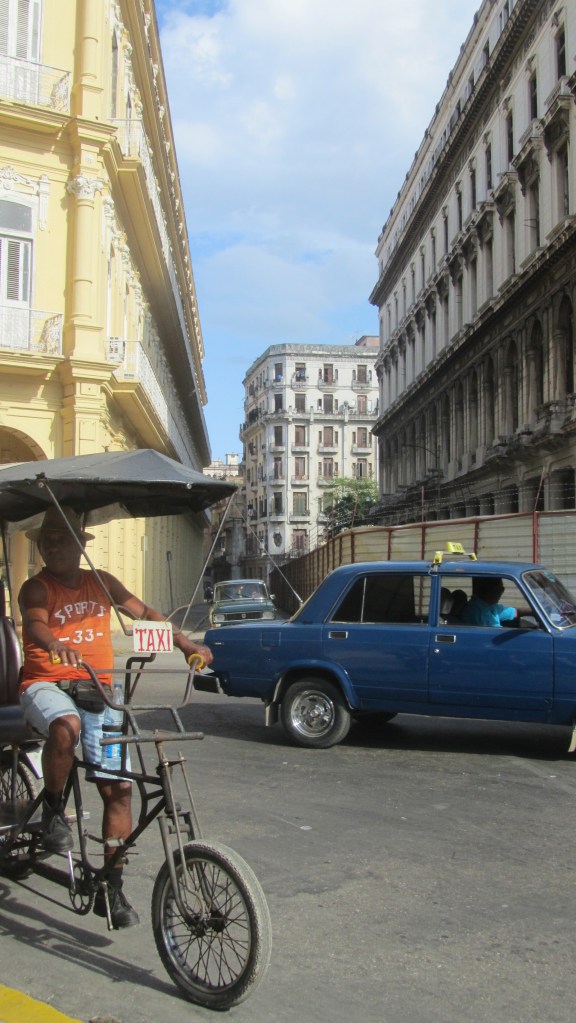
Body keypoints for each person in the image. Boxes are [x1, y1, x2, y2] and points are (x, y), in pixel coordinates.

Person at [18, 504, 213, 929]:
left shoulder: (100, 582)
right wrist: (56, 643)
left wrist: (184, 645)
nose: (51, 546)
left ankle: (111, 886)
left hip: (99, 690)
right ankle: (53, 810)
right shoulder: (37, 588)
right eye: (45, 540)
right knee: (64, 725)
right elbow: (34, 625)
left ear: (79, 544)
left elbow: (142, 614)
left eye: (60, 539)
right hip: (45, 686)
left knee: (119, 790)